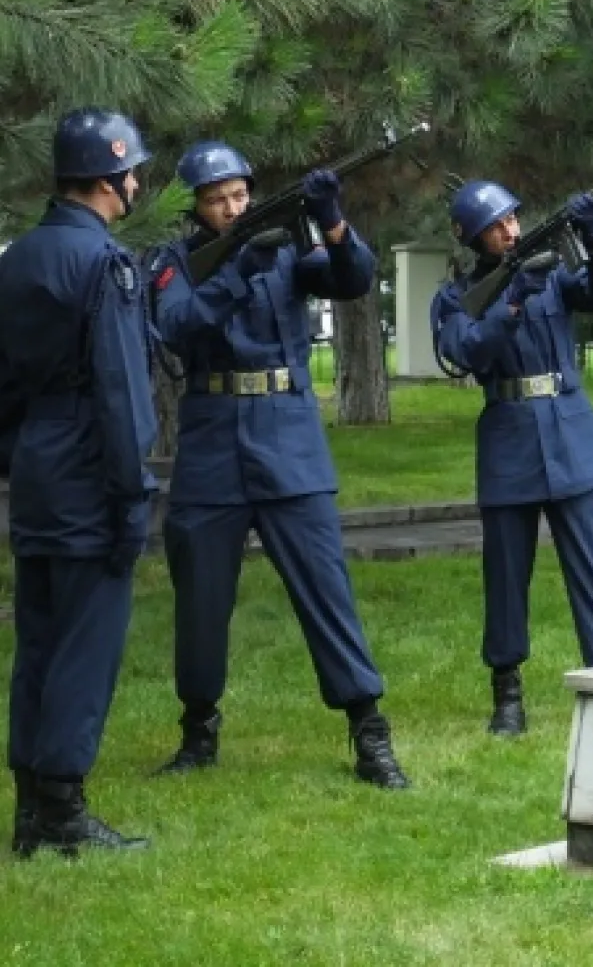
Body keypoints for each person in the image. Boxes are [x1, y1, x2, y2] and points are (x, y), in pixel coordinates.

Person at [151, 141, 409, 789]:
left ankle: (368, 730)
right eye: (217, 199)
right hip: (212, 442)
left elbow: (352, 279)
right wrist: (238, 268)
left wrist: (333, 221)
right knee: (202, 598)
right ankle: (198, 729)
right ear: (196, 208)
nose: (232, 207)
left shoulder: (288, 249)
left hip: (287, 437)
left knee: (326, 589)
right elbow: (178, 327)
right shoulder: (177, 262)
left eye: (239, 195)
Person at [2, 109, 158, 858]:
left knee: (37, 640)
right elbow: (122, 393)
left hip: (35, 469)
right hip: (89, 472)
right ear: (106, 181)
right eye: (131, 174)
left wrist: (22, 455)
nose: (136, 184)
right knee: (83, 647)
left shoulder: (18, 258)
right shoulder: (105, 264)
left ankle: (30, 808)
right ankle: (63, 809)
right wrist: (132, 498)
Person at [430, 180, 593, 736]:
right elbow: (466, 351)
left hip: (568, 432)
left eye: (513, 218)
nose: (511, 230)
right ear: (472, 237)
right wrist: (513, 299)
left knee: (589, 570)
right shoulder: (454, 297)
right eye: (496, 225)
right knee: (507, 575)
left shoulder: (552, 274)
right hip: (510, 437)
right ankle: (507, 693)